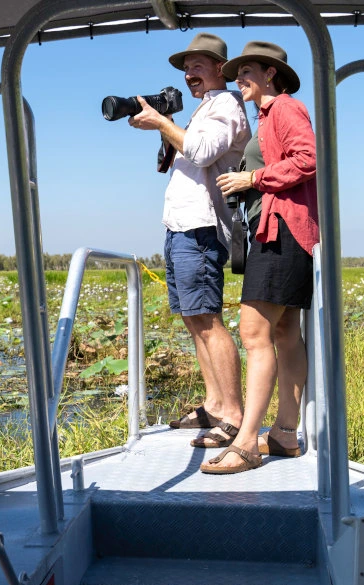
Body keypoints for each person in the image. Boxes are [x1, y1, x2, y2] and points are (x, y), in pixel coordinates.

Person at [200, 41, 319, 474]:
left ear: (271, 73)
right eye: (236, 73)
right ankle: (285, 433)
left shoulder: (285, 108)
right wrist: (253, 182)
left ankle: (247, 442)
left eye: (246, 71)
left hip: (282, 230)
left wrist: (253, 176)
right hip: (281, 229)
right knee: (285, 329)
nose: (238, 79)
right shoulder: (267, 116)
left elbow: (309, 158)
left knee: (253, 332)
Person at [127, 33, 250, 441]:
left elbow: (201, 152)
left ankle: (232, 413)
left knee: (208, 320)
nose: (188, 73)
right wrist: (163, 128)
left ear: (220, 69)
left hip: (201, 226)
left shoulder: (227, 105)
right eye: (186, 67)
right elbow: (185, 156)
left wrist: (162, 122)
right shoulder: (202, 111)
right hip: (179, 225)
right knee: (193, 319)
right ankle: (214, 405)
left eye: (198, 65)